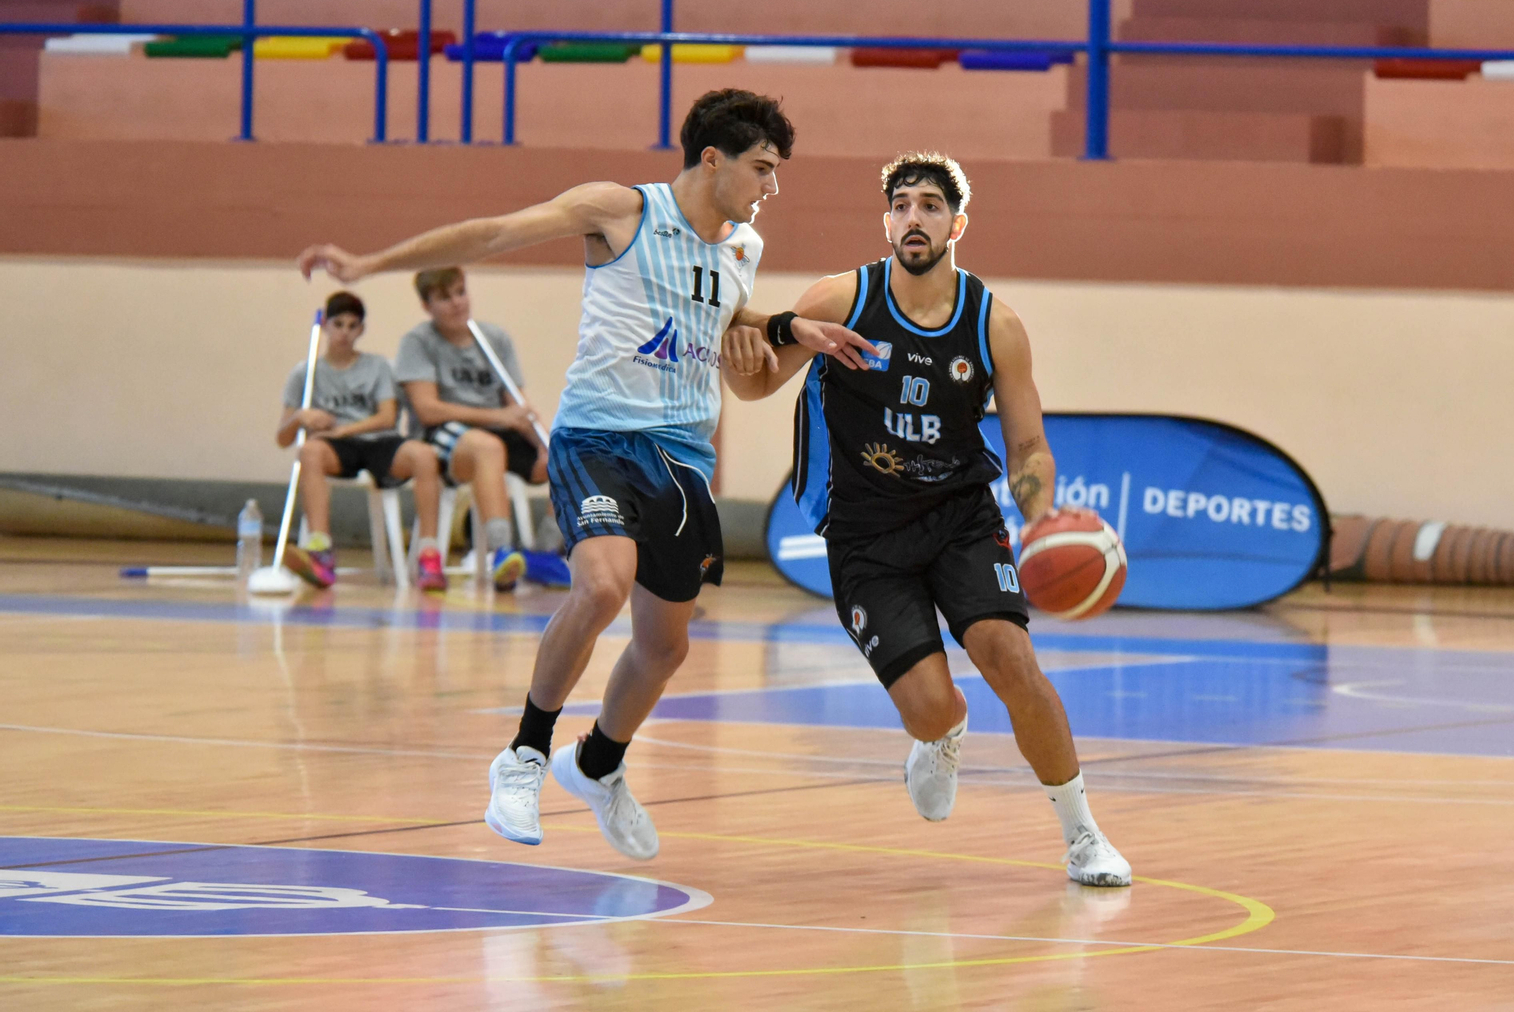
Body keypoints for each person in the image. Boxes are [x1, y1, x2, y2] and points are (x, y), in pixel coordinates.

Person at [296, 89, 873, 859]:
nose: (773, 187)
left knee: (666, 648)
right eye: (763, 168)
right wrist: (369, 264)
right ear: (713, 159)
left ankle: (599, 764)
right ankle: (526, 752)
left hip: (682, 456)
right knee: (601, 584)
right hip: (597, 435)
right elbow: (496, 232)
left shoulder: (741, 249)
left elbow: (722, 315)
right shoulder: (620, 210)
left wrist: (787, 328)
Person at [720, 152, 1132, 887]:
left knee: (1012, 661)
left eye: (931, 205)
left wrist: (1040, 514)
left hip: (960, 517)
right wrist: (740, 346)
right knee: (932, 706)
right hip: (865, 534)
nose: (915, 216)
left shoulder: (994, 323)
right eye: (902, 204)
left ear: (957, 223)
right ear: (886, 223)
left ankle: (1083, 835)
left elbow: (1028, 443)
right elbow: (754, 388)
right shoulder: (840, 299)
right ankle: (941, 737)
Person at [392, 266, 566, 592]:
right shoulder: (417, 342)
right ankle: (501, 552)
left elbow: (516, 405)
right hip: (443, 436)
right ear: (426, 306)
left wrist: (545, 444)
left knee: (567, 453)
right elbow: (427, 410)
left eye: (461, 292)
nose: (457, 303)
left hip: (496, 427)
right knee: (488, 447)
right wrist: (499, 416)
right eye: (445, 298)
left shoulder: (494, 339)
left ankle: (544, 553)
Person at [276, 290, 448, 592]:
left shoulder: (378, 366)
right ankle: (321, 550)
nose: (344, 332)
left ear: (361, 330)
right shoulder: (304, 374)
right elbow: (283, 437)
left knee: (423, 455)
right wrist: (300, 417)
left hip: (378, 441)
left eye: (352, 325)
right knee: (309, 451)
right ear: (325, 325)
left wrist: (343, 429)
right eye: (338, 324)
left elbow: (386, 416)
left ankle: (429, 554)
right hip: (335, 449)